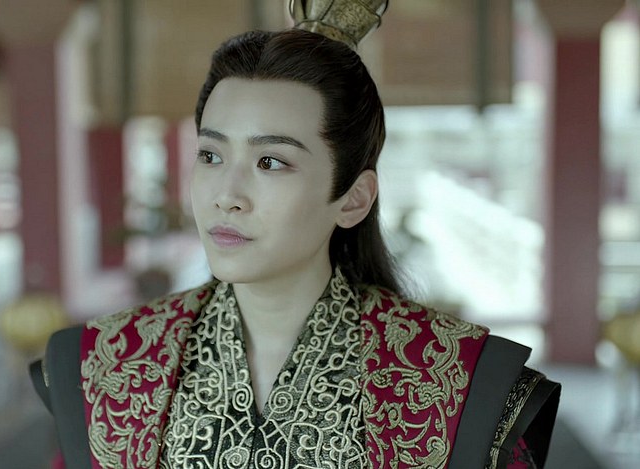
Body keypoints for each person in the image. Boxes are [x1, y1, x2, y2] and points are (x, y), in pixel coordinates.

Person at [31, 4, 560, 469]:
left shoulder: (458, 384)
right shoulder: (107, 366)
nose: (227, 195)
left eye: (270, 161)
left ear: (353, 199)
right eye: (210, 155)